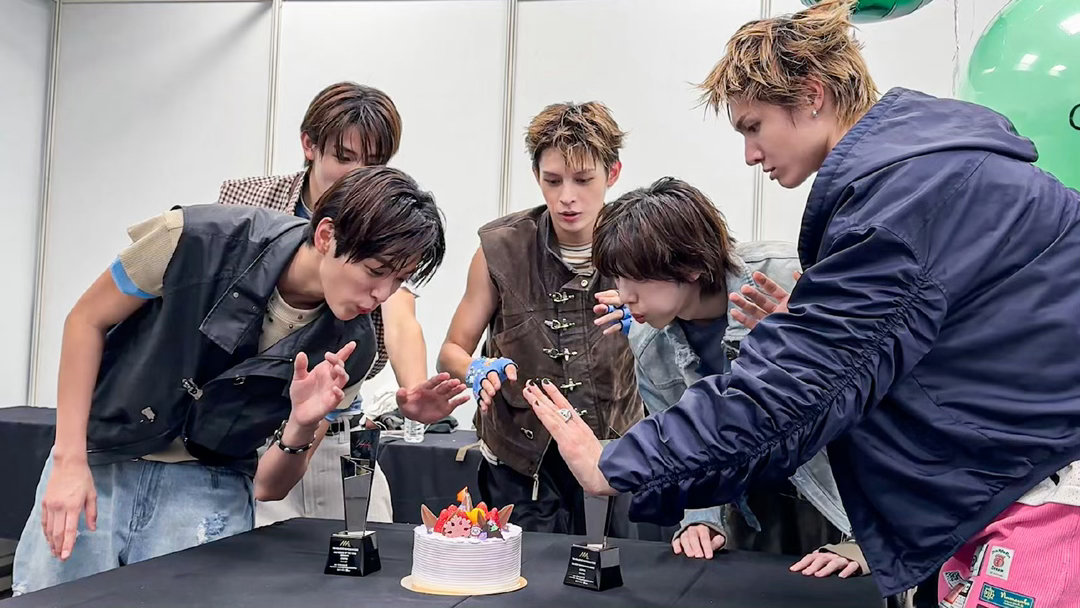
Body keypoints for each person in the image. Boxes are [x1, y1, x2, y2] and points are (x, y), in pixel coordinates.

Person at [524, 0, 1080, 603]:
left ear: (812, 95)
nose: (749, 154)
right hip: (1008, 480)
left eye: (753, 126)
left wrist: (615, 464)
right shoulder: (937, 175)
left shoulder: (901, 206)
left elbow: (792, 394)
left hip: (1033, 490)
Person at [12, 166, 462, 594]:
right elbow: (85, 320)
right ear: (327, 235)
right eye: (376, 271)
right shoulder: (190, 238)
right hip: (101, 460)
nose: (382, 294)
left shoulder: (352, 349)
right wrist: (69, 460)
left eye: (399, 280)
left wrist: (302, 424)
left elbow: (268, 486)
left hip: (209, 485)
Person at [219, 82, 457, 526]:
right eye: (344, 158)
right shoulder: (250, 201)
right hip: (252, 430)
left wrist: (413, 390)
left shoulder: (387, 217)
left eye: (373, 162)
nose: (356, 174)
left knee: (369, 552)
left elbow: (400, 318)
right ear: (309, 145)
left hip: (339, 430)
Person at [590, 176, 857, 571]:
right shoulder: (647, 341)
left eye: (638, 277)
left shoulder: (787, 275)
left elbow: (879, 396)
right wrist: (700, 519)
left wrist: (871, 540)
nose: (624, 295)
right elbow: (680, 440)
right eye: (617, 277)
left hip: (847, 502)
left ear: (690, 265)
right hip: (758, 508)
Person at [437, 102, 643, 534]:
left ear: (613, 173)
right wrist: (475, 369)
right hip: (519, 461)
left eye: (583, 180)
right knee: (522, 572)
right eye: (553, 180)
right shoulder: (499, 250)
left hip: (614, 451)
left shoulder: (641, 247)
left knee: (615, 569)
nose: (567, 196)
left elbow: (683, 347)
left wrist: (646, 328)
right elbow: (451, 351)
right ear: (536, 176)